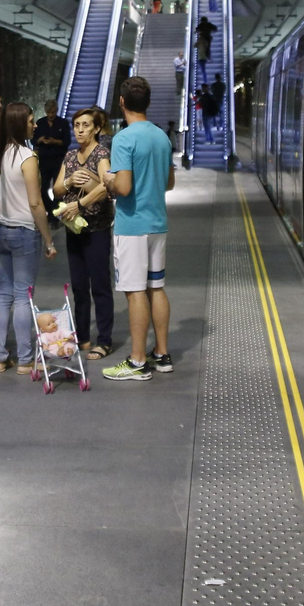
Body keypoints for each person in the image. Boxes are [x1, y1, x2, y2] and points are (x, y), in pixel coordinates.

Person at [103, 76, 175, 382]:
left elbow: (123, 186)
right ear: (147, 102)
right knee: (155, 287)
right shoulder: (161, 136)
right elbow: (170, 183)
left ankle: (137, 361)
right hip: (158, 222)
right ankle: (162, 354)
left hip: (132, 226)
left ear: (121, 102)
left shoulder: (123, 138)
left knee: (134, 292)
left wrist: (107, 178)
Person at [0, 102, 58, 372]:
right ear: (20, 124)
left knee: (4, 294)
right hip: (24, 232)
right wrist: (49, 240)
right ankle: (25, 359)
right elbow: (35, 203)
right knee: (22, 295)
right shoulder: (27, 157)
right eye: (31, 120)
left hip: (1, 230)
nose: (35, 124)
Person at [54, 106, 114, 361]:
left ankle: (104, 340)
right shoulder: (69, 156)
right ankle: (82, 336)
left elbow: (106, 186)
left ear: (97, 128)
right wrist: (69, 182)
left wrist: (79, 203)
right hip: (73, 228)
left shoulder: (101, 154)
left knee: (99, 285)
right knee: (79, 285)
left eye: (85, 125)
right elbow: (56, 189)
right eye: (76, 125)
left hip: (97, 229)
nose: (79, 130)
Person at [33, 98, 69, 220]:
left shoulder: (62, 123)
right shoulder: (40, 123)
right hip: (44, 160)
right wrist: (41, 140)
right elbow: (34, 140)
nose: (51, 115)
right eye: (49, 112)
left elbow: (66, 141)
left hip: (58, 160)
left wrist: (55, 141)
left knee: (57, 188)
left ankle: (55, 215)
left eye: (53, 112)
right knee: (43, 188)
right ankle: (49, 209)